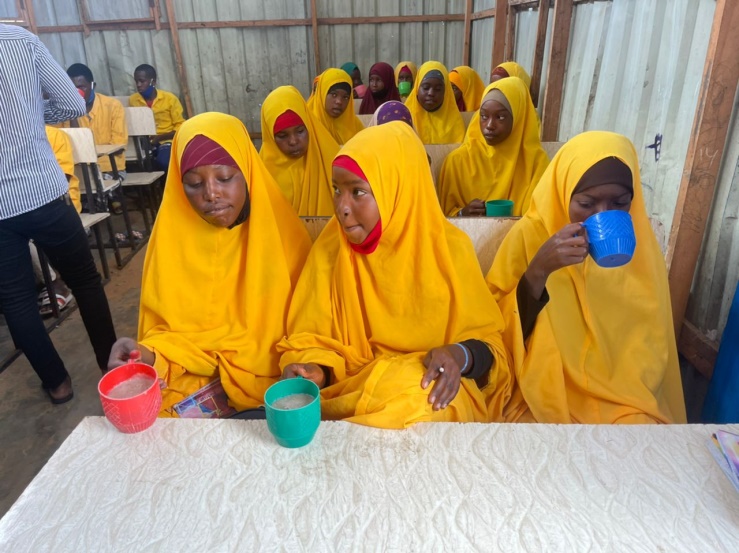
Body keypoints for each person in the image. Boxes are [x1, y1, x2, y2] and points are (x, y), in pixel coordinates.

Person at [277, 122, 512, 428]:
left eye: (358, 192)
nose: (342, 208)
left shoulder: (449, 251)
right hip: (354, 388)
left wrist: (459, 355)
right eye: (337, 190)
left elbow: (489, 346)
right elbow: (311, 336)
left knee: (418, 396)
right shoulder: (329, 251)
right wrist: (315, 369)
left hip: (432, 391)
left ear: (398, 189)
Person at [107, 113, 311, 417]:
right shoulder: (168, 242)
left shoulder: (286, 238)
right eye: (193, 183)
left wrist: (304, 362)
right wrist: (146, 354)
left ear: (247, 172)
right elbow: (168, 333)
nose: (211, 194)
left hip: (269, 378)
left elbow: (308, 327)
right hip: (190, 376)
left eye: (225, 178)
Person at [485, 131, 687, 424]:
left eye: (619, 203)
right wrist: (538, 271)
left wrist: (621, 383)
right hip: (545, 391)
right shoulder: (530, 236)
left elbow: (652, 339)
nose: (601, 215)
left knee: (643, 438)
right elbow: (492, 329)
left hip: (623, 398)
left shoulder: (641, 248)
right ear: (564, 191)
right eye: (586, 204)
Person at [0, 24, 116, 404]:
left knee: (17, 301)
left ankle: (58, 383)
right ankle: (111, 366)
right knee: (83, 279)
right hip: (44, 193)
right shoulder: (18, 41)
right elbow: (74, 103)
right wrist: (33, 113)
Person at [438, 78, 549, 217]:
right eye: (483, 116)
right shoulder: (457, 162)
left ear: (519, 118)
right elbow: (443, 219)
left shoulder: (536, 163)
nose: (489, 125)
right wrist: (462, 213)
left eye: (500, 117)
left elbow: (540, 217)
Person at [260, 85, 339, 216]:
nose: (293, 141)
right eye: (282, 136)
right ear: (270, 136)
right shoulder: (261, 175)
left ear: (309, 125)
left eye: (300, 131)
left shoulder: (331, 161)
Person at [34, 126, 83, 316]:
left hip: (59, 200)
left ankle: (55, 283)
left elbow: (62, 178)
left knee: (25, 230)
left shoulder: (54, 135)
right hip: (22, 204)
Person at [62, 63, 127, 177]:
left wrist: (91, 156)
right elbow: (69, 145)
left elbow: (119, 146)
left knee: (97, 184)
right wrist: (73, 112)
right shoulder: (65, 110)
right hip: (80, 170)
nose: (77, 92)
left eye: (81, 87)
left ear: (93, 86)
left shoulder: (112, 106)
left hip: (110, 168)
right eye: (72, 88)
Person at [129, 63, 185, 171]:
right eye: (136, 81)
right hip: (145, 142)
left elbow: (180, 127)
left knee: (164, 162)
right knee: (137, 166)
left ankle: (167, 185)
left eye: (142, 81)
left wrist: (159, 137)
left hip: (166, 140)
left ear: (153, 82)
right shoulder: (133, 100)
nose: (138, 85)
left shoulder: (169, 99)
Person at [403, 61, 465, 144]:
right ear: (417, 88)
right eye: (426, 88)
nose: (431, 93)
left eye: (438, 89)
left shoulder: (455, 123)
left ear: (446, 92)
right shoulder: (405, 118)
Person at [307, 68, 364, 145]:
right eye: (334, 95)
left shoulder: (355, 126)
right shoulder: (306, 126)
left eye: (345, 97)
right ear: (322, 94)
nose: (339, 101)